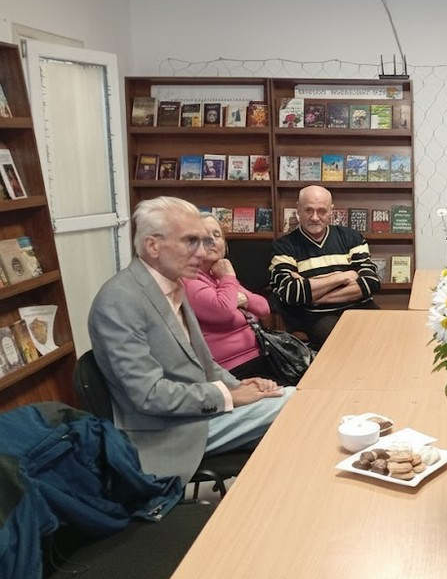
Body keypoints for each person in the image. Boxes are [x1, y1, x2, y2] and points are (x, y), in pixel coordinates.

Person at [88, 196, 293, 484]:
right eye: (191, 241)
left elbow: (202, 361)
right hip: (166, 433)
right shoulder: (119, 301)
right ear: (153, 246)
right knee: (297, 406)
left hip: (195, 413)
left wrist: (238, 385)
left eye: (205, 241)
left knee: (293, 404)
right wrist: (226, 396)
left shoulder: (172, 284)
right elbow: (149, 395)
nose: (203, 251)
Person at [183, 214, 293, 384]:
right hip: (230, 370)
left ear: (225, 244)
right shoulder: (189, 280)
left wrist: (240, 297)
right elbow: (223, 310)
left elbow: (263, 308)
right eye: (204, 236)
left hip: (262, 354)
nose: (212, 240)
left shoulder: (217, 275)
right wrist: (228, 276)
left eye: (217, 235)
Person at [269, 185, 380, 348]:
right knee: (347, 343)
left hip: (362, 309)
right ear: (298, 209)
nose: (315, 217)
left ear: (331, 212)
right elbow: (290, 292)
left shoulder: (352, 238)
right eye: (308, 210)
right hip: (317, 318)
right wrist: (343, 277)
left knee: (389, 334)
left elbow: (371, 282)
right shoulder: (283, 246)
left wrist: (312, 296)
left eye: (321, 211)